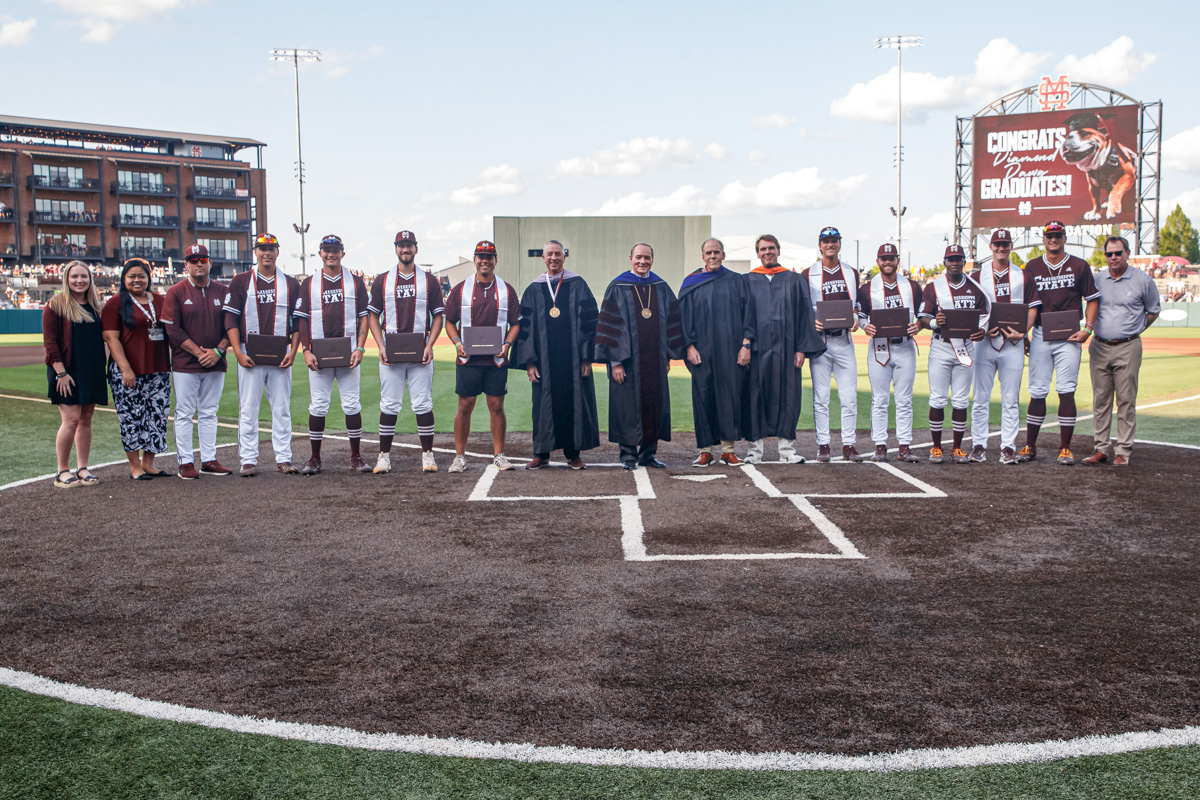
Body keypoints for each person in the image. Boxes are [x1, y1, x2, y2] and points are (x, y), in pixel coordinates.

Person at [595, 242, 684, 470]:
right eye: (638, 257)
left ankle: (648, 454)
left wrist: (667, 357)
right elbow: (609, 326)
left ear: (652, 259)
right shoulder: (618, 286)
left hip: (654, 362)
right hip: (627, 363)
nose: (642, 261)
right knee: (626, 406)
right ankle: (627, 455)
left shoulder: (661, 287)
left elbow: (673, 322)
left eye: (647, 257)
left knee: (653, 404)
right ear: (630, 258)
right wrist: (615, 362)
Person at [512, 239, 599, 470]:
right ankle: (541, 454)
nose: (553, 258)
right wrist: (529, 361)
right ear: (543, 257)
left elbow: (590, 321)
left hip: (573, 360)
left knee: (574, 402)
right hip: (543, 361)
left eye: (557, 254)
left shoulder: (578, 284)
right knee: (542, 405)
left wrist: (586, 358)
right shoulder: (533, 289)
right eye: (549, 254)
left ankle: (573, 453)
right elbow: (526, 327)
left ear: (564, 257)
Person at [1019, 220, 1101, 465]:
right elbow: (1026, 303)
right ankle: (1029, 445)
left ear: (1064, 238)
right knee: (1037, 391)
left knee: (1066, 390)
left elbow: (1092, 299)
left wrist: (1088, 328)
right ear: (1043, 240)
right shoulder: (1032, 266)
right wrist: (1024, 333)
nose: (1053, 239)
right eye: (1049, 235)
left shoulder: (1079, 265)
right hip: (1042, 333)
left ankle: (1065, 448)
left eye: (1058, 235)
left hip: (1069, 335)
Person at [223, 233, 302, 477]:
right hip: (250, 352)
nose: (266, 253)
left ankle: (284, 458)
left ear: (278, 252)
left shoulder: (290, 283)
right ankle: (248, 459)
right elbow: (230, 318)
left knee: (282, 408)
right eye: (262, 249)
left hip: (280, 354)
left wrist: (293, 351)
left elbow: (298, 322)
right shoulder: (241, 281)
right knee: (248, 408)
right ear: (255, 252)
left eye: (271, 249)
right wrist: (237, 351)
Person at [367, 230, 445, 474]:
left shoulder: (428, 280)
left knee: (422, 403)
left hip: (419, 351)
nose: (405, 249)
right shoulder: (383, 280)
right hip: (391, 352)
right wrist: (380, 345)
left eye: (409, 245)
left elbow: (438, 315)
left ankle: (427, 455)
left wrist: (430, 345)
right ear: (396, 249)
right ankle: (384, 456)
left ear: (416, 249)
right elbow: (372, 315)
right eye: (401, 246)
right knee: (389, 404)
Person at [744, 234, 825, 464]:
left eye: (771, 248)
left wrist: (801, 348)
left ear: (778, 250)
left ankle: (786, 450)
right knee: (755, 397)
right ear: (757, 253)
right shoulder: (748, 280)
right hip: (758, 351)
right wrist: (746, 346)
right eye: (762, 249)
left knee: (788, 397)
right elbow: (743, 316)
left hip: (787, 350)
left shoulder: (794, 279)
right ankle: (754, 451)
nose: (767, 252)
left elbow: (804, 316)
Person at [294, 234, 371, 475]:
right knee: (318, 406)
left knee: (351, 404)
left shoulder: (355, 282)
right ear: (320, 253)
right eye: (327, 250)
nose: (331, 254)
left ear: (342, 253)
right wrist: (306, 350)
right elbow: (302, 321)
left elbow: (363, 318)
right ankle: (314, 458)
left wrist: (360, 347)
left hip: (348, 354)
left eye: (335, 250)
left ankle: (356, 456)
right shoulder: (309, 283)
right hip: (320, 355)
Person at [443, 240, 521, 473]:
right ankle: (459, 456)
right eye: (480, 256)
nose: (485, 260)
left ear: (495, 260)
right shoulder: (460, 289)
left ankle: (499, 454)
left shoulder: (506, 289)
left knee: (496, 405)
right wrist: (457, 343)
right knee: (465, 405)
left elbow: (515, 324)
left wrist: (507, 344)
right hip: (469, 358)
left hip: (495, 359)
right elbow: (449, 321)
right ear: (474, 260)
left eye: (489, 257)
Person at [1083, 235, 1160, 467]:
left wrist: (1135, 330)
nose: (1114, 257)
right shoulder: (1096, 279)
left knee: (1126, 400)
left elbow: (1153, 311)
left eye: (1118, 252)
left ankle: (1123, 450)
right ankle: (1101, 448)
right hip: (1100, 345)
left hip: (1128, 345)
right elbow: (1089, 307)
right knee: (1101, 400)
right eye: (1109, 254)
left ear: (1127, 253)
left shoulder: (1142, 280)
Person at [678, 237, 755, 466]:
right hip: (702, 351)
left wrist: (746, 344)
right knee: (703, 397)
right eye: (708, 253)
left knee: (729, 397)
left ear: (723, 255)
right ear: (703, 257)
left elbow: (748, 314)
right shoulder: (691, 282)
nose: (713, 256)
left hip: (731, 350)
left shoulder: (736, 281)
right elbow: (684, 318)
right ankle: (705, 450)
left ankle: (728, 450)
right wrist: (689, 346)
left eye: (717, 252)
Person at [163, 243, 231, 479]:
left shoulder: (223, 291)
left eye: (202, 259)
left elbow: (231, 327)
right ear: (186, 265)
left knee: (210, 412)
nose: (199, 263)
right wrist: (200, 353)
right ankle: (186, 462)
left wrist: (219, 352)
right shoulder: (176, 291)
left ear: (210, 262)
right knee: (184, 412)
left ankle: (209, 460)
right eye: (193, 260)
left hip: (216, 362)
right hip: (185, 363)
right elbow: (173, 329)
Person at [101, 258, 172, 480]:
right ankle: (134, 467)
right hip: (128, 370)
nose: (137, 280)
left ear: (149, 278)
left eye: (141, 276)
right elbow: (111, 338)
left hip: (158, 368)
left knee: (157, 415)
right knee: (131, 417)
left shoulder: (160, 300)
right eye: (131, 276)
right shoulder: (116, 303)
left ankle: (149, 463)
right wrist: (125, 369)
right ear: (124, 279)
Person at [919, 244, 989, 464]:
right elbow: (922, 317)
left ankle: (957, 447)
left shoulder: (975, 287)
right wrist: (933, 322)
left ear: (964, 261)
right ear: (945, 262)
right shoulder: (933, 287)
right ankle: (937, 447)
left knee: (960, 400)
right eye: (951, 259)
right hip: (941, 345)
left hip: (966, 346)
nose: (955, 262)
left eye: (959, 259)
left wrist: (982, 331)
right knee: (938, 398)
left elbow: (985, 315)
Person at [969, 229, 1034, 465]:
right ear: (991, 246)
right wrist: (982, 329)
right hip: (984, 344)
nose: (1001, 248)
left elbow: (1033, 307)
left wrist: (1023, 331)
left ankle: (1008, 446)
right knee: (980, 398)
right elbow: (972, 310)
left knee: (1010, 399)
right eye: (997, 244)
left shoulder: (1022, 275)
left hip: (1013, 344)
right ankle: (979, 445)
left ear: (1011, 246)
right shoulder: (977, 276)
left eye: (1005, 244)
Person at [800, 226, 862, 462]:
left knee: (849, 397)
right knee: (821, 397)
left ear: (839, 244)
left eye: (834, 241)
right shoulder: (809, 273)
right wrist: (811, 322)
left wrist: (856, 319)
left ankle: (848, 444)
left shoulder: (851, 272)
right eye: (826, 241)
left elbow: (856, 307)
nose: (830, 245)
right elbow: (804, 307)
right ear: (819, 245)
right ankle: (823, 444)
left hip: (844, 341)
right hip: (821, 344)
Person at [42, 260, 107, 487]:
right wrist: (61, 373)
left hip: (92, 370)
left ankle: (82, 468)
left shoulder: (96, 307)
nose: (79, 281)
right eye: (74, 277)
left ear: (90, 280)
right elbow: (50, 343)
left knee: (86, 420)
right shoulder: (56, 305)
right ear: (66, 279)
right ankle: (62, 470)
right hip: (66, 372)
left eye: (84, 277)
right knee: (70, 420)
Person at [858, 243, 923, 463]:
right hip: (879, 347)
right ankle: (880, 445)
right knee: (880, 399)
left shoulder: (912, 287)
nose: (887, 262)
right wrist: (864, 326)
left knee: (904, 399)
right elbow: (861, 315)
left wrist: (919, 326)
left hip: (904, 346)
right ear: (877, 261)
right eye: (883, 258)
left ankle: (904, 445)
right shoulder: (867, 288)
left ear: (897, 260)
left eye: (891, 258)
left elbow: (923, 315)